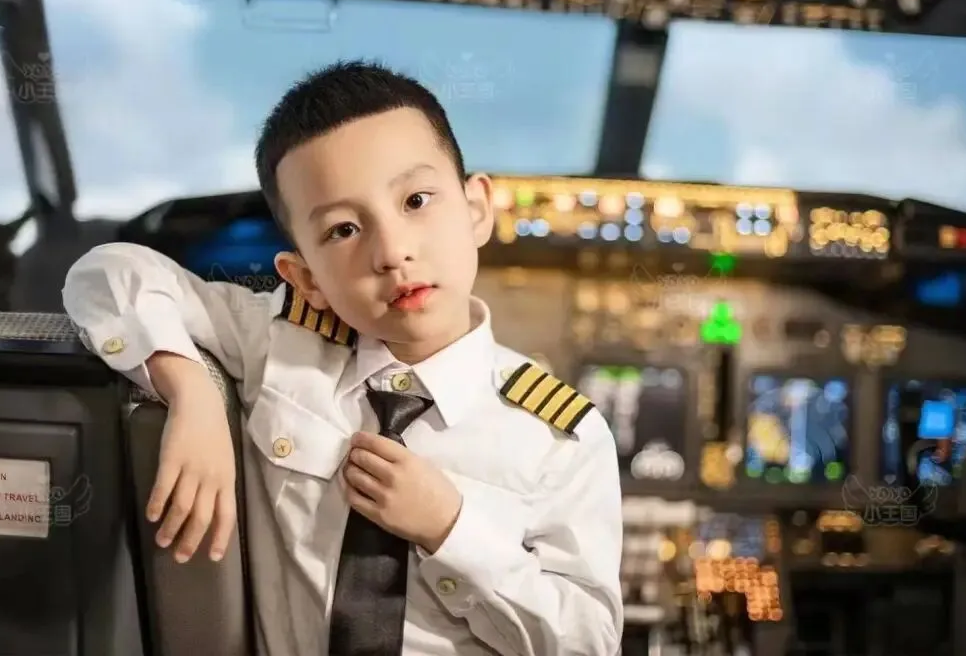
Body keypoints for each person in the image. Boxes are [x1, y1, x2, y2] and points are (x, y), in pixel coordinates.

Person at [62, 60, 624, 655]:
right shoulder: (279, 343)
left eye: (416, 200)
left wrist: (450, 529)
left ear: (477, 208)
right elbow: (106, 275)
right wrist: (191, 390)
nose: (392, 252)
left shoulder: (562, 438)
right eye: (344, 230)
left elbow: (589, 642)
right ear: (306, 280)